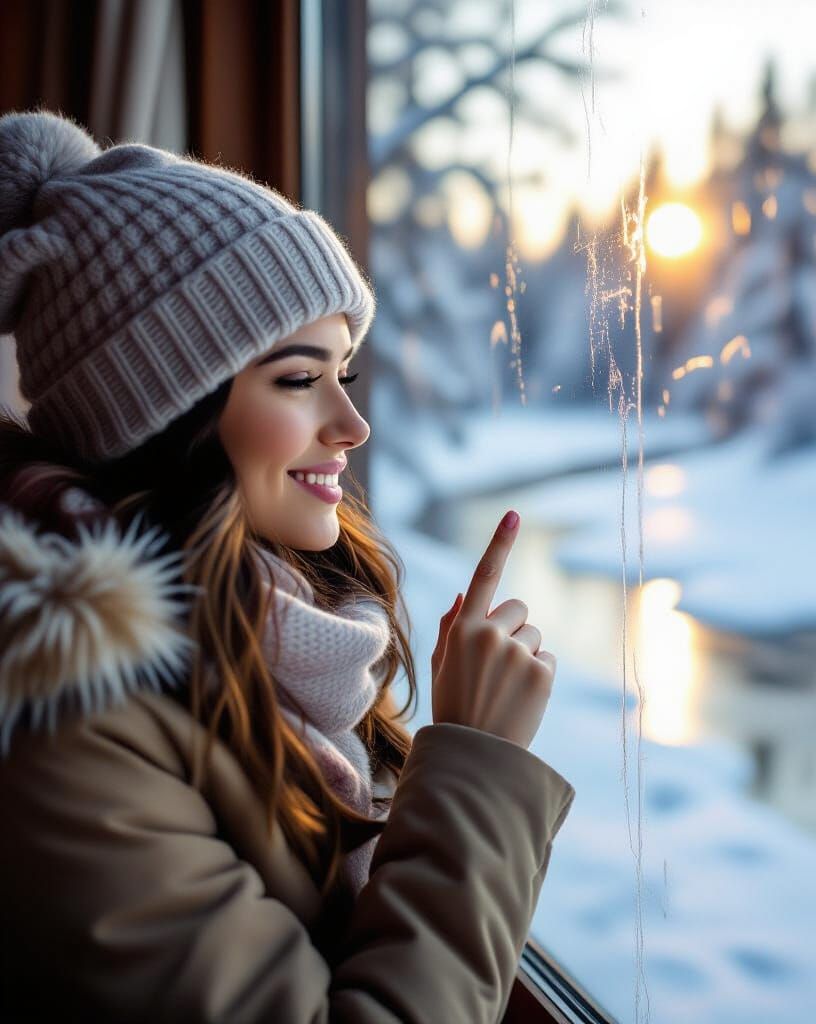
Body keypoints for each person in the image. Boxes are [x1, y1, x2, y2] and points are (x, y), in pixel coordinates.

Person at [0, 109, 573, 1022]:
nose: (353, 425)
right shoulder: (67, 731)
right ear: (167, 413)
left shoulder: (282, 630)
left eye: (346, 373)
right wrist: (477, 763)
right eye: (301, 379)